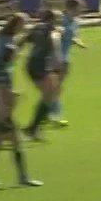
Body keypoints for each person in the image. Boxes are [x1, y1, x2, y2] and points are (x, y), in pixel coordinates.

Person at [0, 14, 41, 187]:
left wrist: (22, 42)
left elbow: (10, 50)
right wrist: (7, 110)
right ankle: (23, 177)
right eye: (24, 24)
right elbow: (0, 93)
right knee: (14, 141)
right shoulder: (2, 71)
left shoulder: (3, 40)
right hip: (2, 114)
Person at [22, 9, 62, 141]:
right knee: (49, 96)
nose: (59, 21)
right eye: (58, 19)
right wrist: (58, 63)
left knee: (49, 95)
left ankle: (34, 128)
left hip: (31, 65)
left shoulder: (36, 27)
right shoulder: (53, 32)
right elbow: (56, 48)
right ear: (51, 19)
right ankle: (32, 128)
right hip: (43, 66)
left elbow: (22, 41)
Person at [48, 0, 85, 126]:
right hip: (54, 59)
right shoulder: (61, 20)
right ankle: (55, 116)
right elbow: (53, 37)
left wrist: (79, 42)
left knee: (57, 88)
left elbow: (73, 36)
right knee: (54, 87)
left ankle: (49, 114)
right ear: (70, 8)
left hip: (65, 59)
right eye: (79, 9)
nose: (81, 11)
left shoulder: (75, 22)